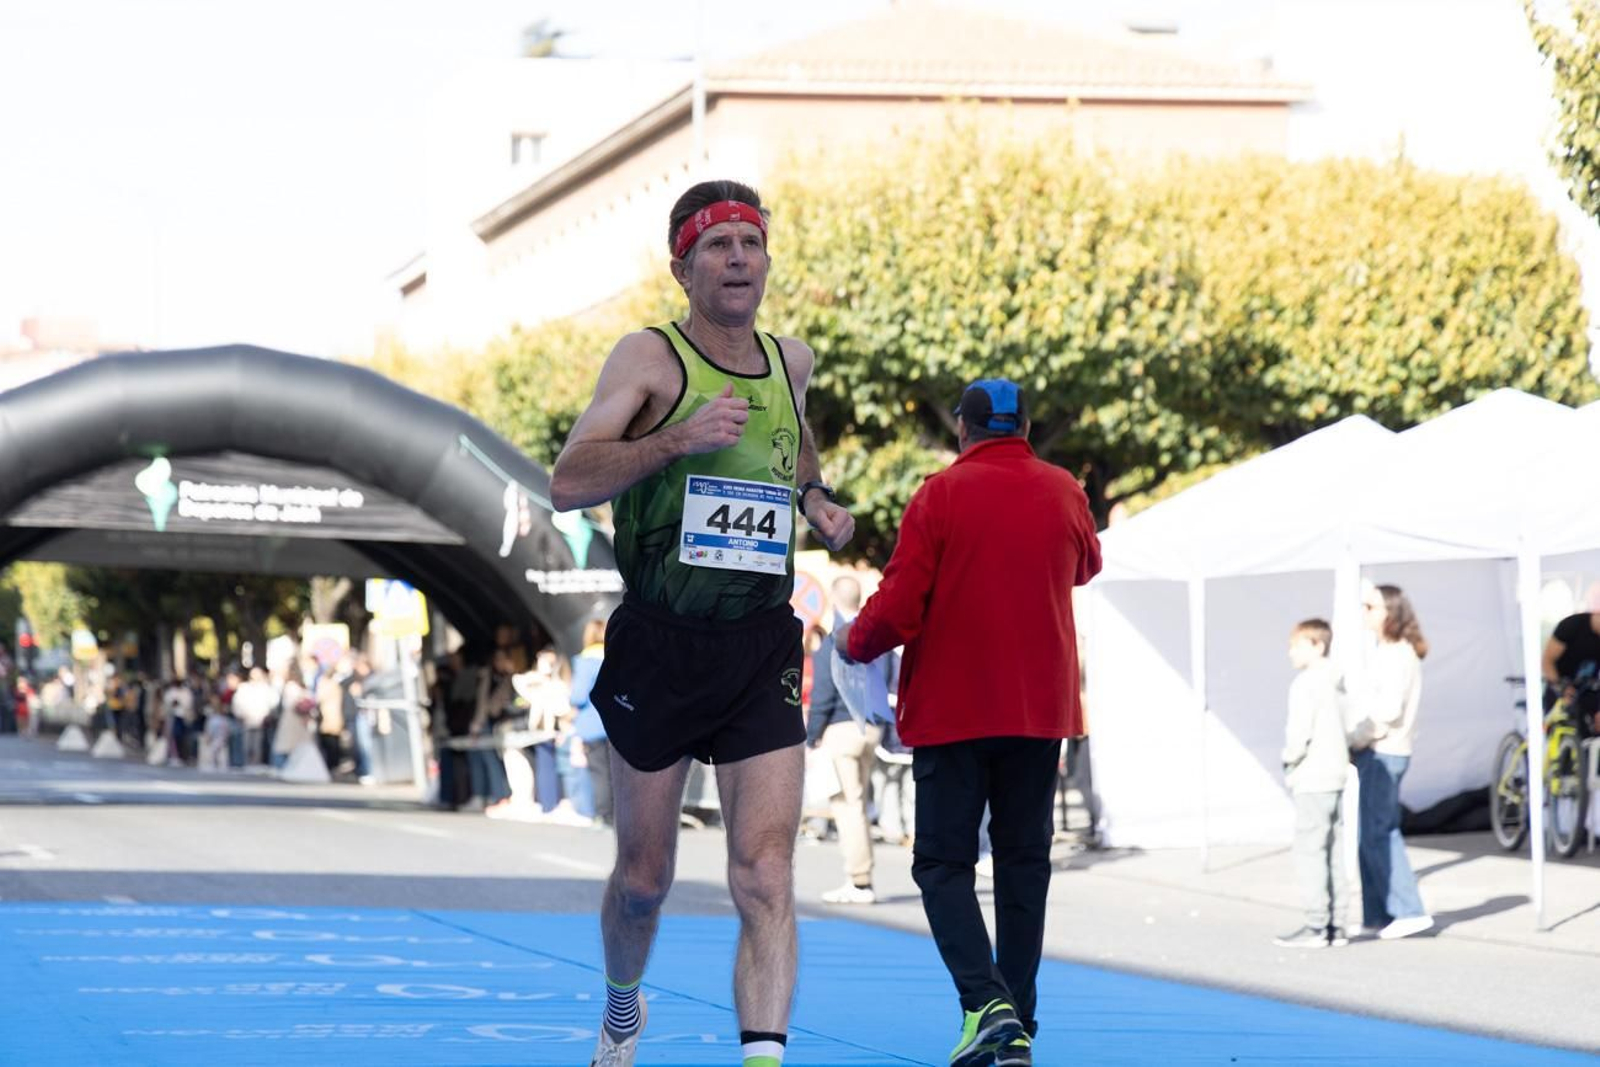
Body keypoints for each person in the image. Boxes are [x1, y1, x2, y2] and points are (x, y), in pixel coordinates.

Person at [548, 178, 854, 1067]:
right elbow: (569, 481)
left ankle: (764, 1057)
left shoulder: (790, 361)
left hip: (760, 641)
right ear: (683, 265)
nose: (737, 260)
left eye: (750, 245)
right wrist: (676, 438)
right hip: (660, 641)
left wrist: (816, 500)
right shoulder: (649, 359)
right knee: (644, 881)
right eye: (718, 247)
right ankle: (620, 1008)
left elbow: (796, 443)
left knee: (765, 872)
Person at [837, 378, 1100, 1067]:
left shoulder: (940, 493)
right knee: (1024, 864)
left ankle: (987, 1005)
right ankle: (1018, 1020)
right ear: (1026, 428)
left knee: (943, 863)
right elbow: (1086, 565)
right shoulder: (1065, 488)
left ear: (962, 427)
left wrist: (851, 642)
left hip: (955, 708)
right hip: (1039, 707)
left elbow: (897, 606)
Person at [1349, 583, 1433, 940]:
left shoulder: (1397, 653)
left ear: (1390, 613)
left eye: (1370, 607)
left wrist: (1357, 737)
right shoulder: (1387, 650)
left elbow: (1387, 710)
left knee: (1380, 832)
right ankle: (1378, 912)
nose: (1364, 612)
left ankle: (1409, 910)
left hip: (1386, 750)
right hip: (1379, 749)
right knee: (1369, 833)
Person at [806, 574, 891, 905]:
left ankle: (859, 881)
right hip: (871, 727)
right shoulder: (874, 637)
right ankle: (861, 877)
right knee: (859, 801)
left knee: (848, 806)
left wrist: (813, 736)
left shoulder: (834, 640)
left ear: (831, 597)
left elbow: (824, 693)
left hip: (841, 730)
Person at [1273, 618, 1352, 949]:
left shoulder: (1305, 683)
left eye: (1297, 645)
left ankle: (1316, 923)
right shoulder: (1338, 681)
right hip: (1336, 771)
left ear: (1317, 645)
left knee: (1310, 849)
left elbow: (1298, 733)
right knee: (1335, 848)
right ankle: (1337, 923)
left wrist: (1290, 761)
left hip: (1313, 774)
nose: (1291, 652)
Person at [569, 618, 614, 825]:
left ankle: (603, 813)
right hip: (615, 724)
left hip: (592, 724)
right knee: (617, 771)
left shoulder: (585, 662)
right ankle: (620, 813)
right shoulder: (614, 657)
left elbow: (578, 695)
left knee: (599, 771)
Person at [1541, 608, 1600, 736]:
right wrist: (1561, 687)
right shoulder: (1572, 625)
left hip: (1587, 688)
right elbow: (1547, 661)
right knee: (1558, 729)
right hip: (1559, 682)